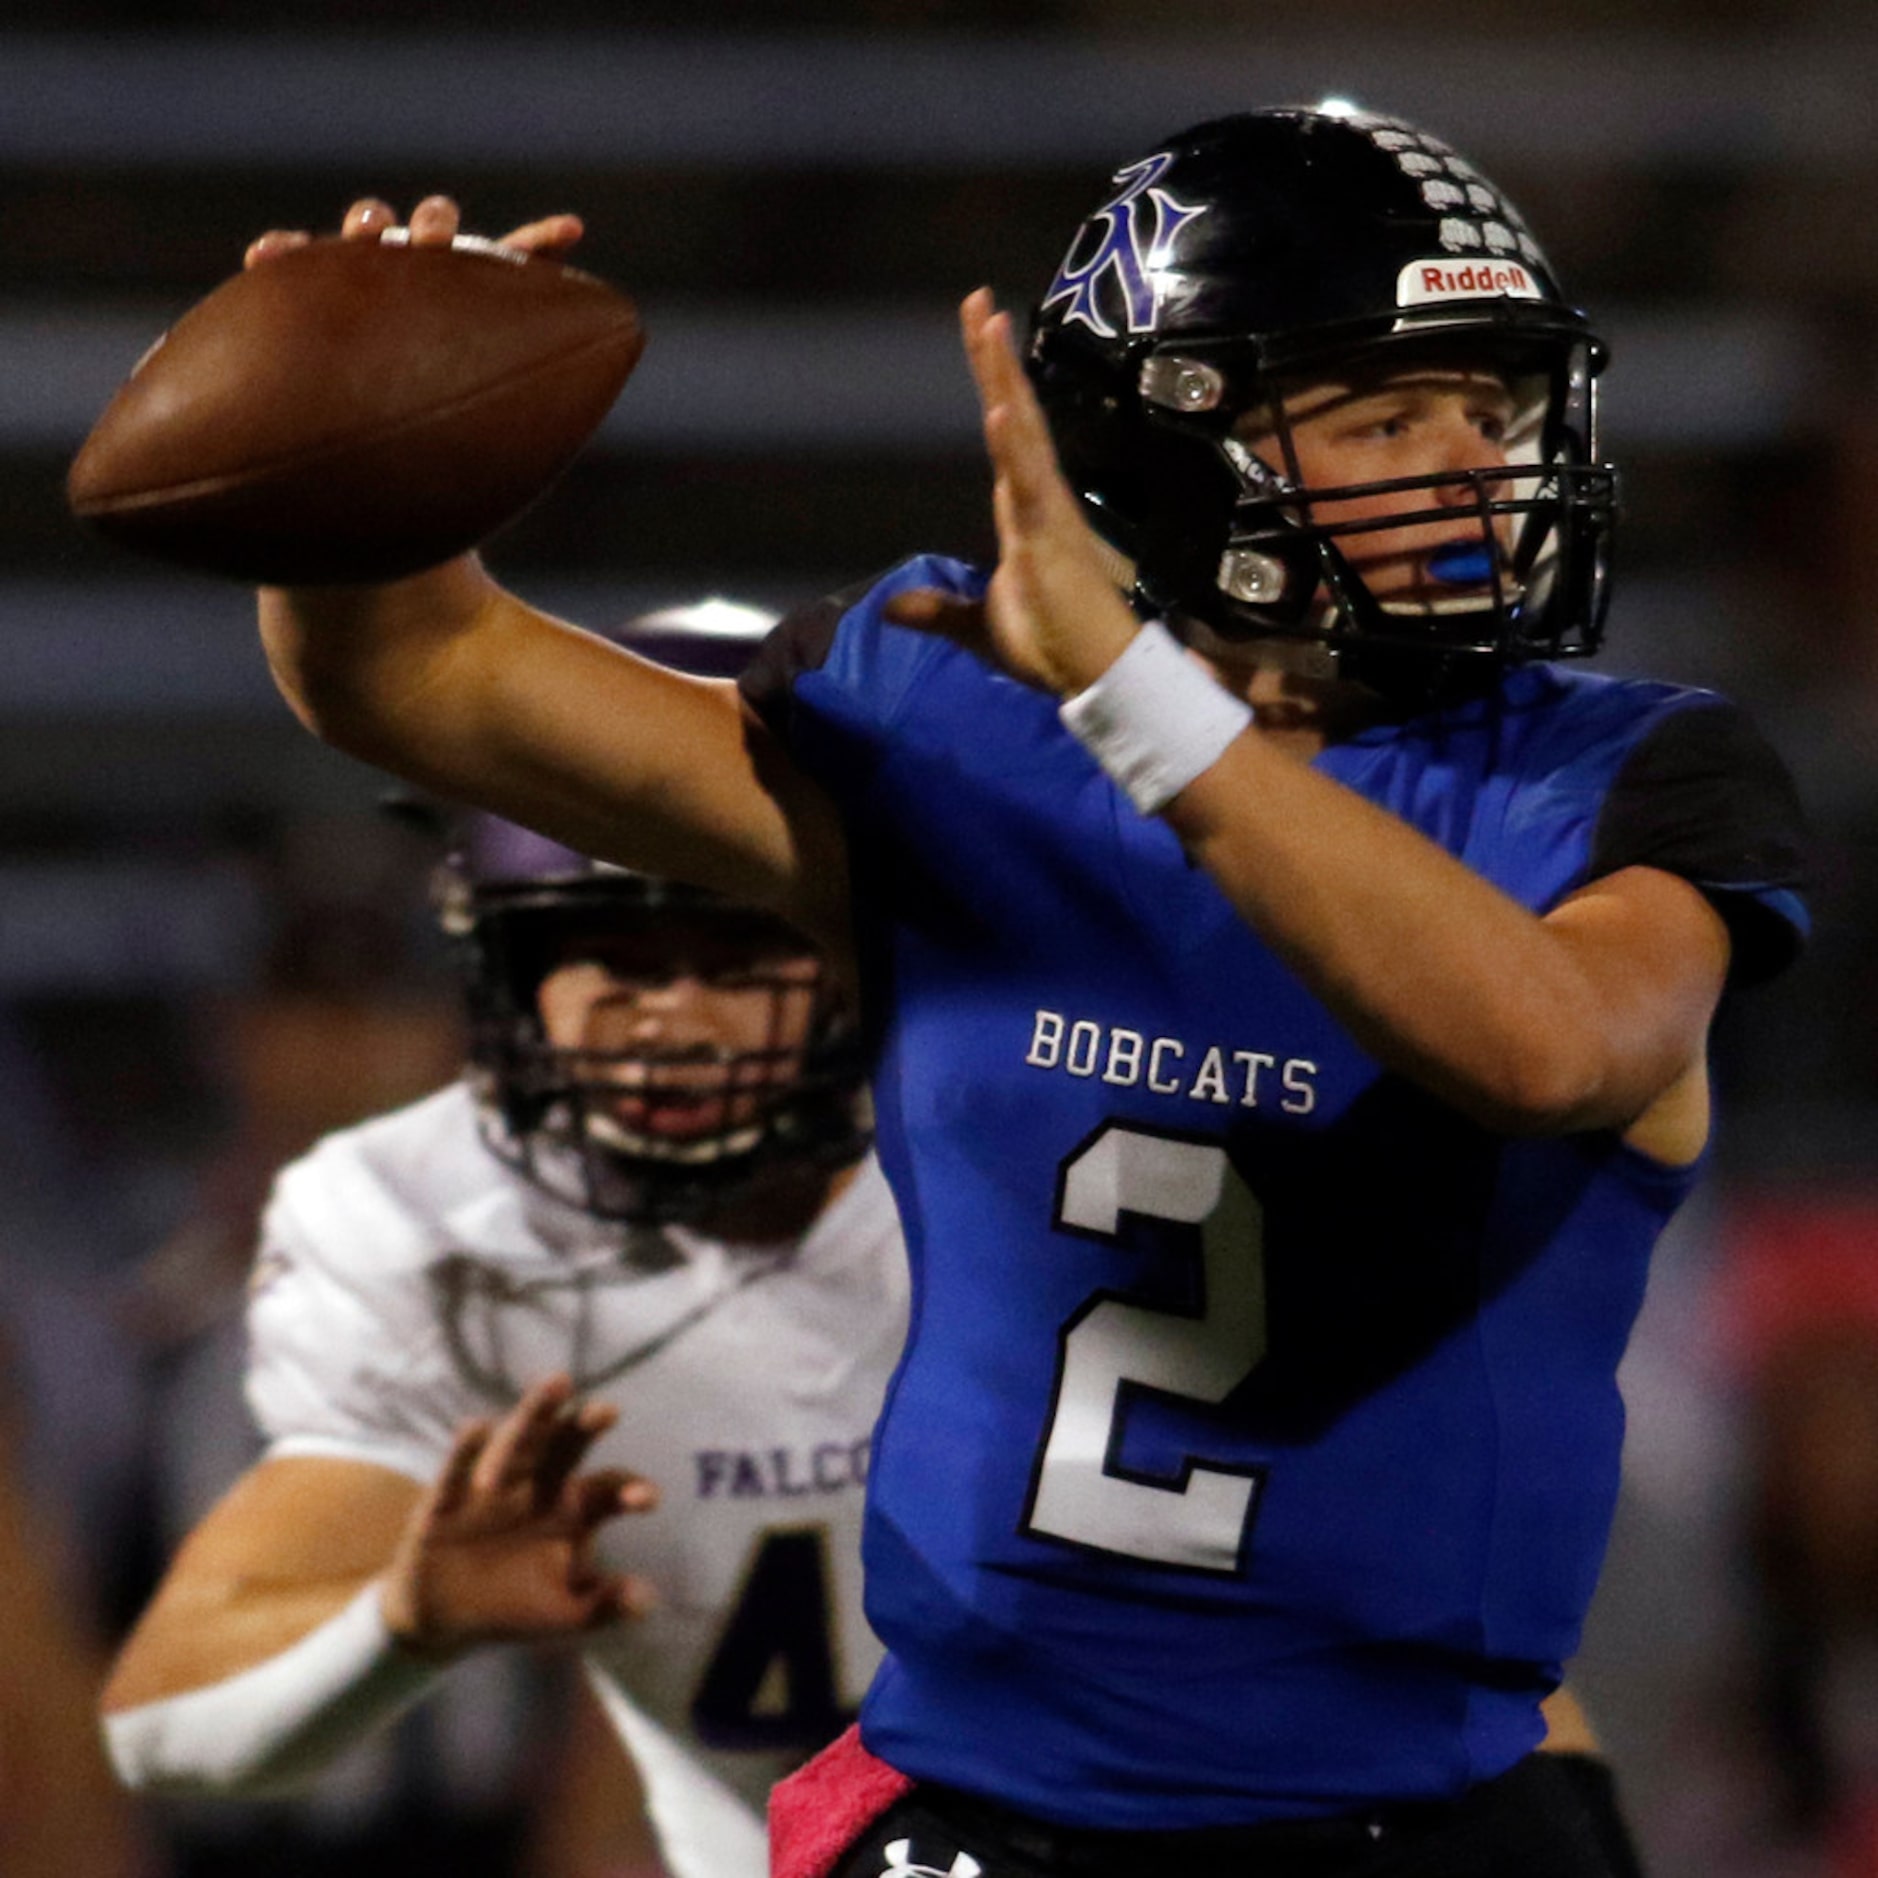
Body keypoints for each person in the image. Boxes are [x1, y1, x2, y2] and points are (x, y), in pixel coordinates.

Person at [233, 104, 1809, 1877]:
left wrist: (1145, 703)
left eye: (1489, 402)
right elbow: (422, 676)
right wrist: (342, 454)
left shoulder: (1616, 776)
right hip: (986, 1797)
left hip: (1404, 1815)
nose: (1467, 461)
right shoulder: (953, 722)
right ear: (1177, 447)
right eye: (1387, 413)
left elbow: (1544, 1045)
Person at [100, 603, 908, 1878]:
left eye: (733, 952)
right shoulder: (422, 1230)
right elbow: (157, 1724)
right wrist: (400, 1627)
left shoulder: (1000, 1185)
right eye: (608, 957)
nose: (672, 1025)